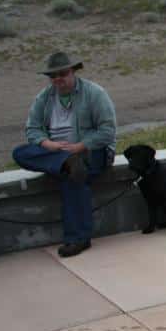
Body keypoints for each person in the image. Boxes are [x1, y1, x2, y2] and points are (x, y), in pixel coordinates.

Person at [12, 52, 116, 258]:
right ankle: (65, 163)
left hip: (91, 151)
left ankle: (76, 239)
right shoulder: (44, 98)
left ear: (73, 72)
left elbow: (107, 131)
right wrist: (47, 143)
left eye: (62, 73)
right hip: (56, 152)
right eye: (52, 76)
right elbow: (32, 129)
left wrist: (81, 146)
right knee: (20, 153)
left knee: (73, 177)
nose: (58, 79)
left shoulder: (94, 93)